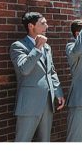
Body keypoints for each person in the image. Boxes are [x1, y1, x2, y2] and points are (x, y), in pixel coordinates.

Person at [10, 12, 64, 142]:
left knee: (45, 140)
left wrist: (58, 92)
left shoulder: (47, 47)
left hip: (48, 102)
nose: (47, 26)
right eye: (43, 23)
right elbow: (24, 69)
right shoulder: (18, 46)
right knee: (23, 140)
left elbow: (51, 71)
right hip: (29, 103)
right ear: (31, 26)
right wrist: (38, 47)